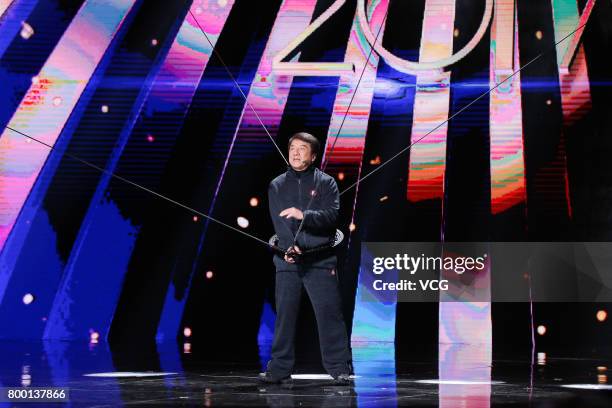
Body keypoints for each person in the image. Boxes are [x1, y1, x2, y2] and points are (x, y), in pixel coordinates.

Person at [261, 132, 352, 385]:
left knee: (329, 315)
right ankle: (278, 369)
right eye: (292, 148)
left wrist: (305, 215)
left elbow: (330, 216)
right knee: (285, 316)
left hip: (320, 261)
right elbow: (279, 222)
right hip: (288, 261)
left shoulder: (326, 183)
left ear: (313, 156)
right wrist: (289, 249)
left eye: (302, 149)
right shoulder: (277, 184)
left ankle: (339, 368)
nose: (295, 152)